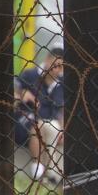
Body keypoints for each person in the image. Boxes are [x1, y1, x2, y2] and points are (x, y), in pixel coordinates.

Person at [14, 47, 65, 180]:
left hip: (49, 122)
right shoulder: (30, 75)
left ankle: (49, 173)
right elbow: (13, 90)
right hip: (25, 119)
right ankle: (38, 169)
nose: (56, 69)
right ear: (47, 60)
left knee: (53, 129)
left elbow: (62, 110)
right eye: (54, 65)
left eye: (60, 67)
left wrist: (63, 128)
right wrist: (22, 93)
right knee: (40, 126)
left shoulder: (62, 84)